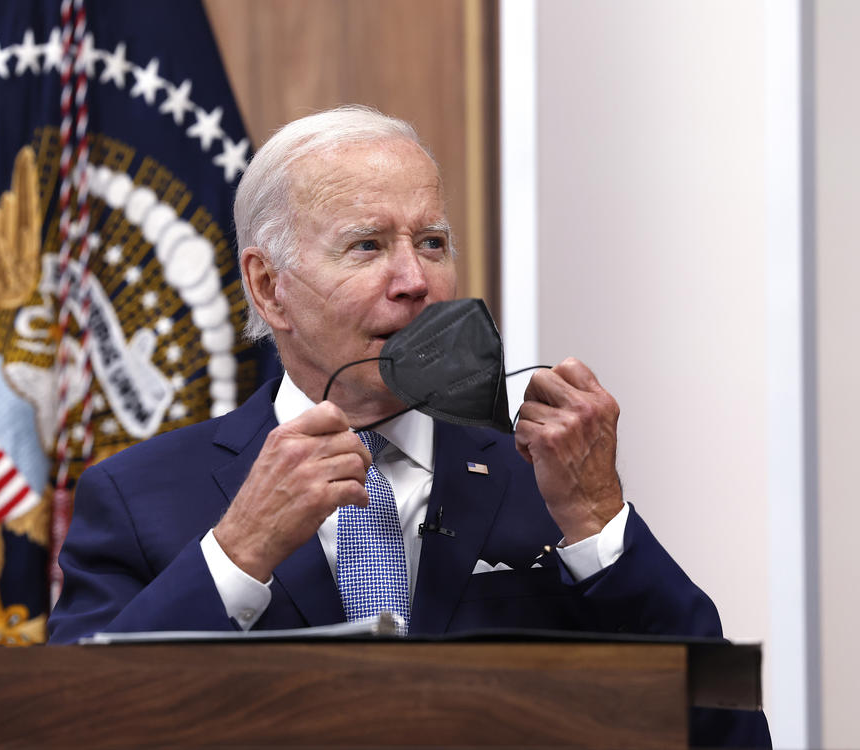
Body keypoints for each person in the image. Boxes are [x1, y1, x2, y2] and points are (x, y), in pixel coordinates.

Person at [48, 106, 769, 747]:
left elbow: (724, 729)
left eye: (431, 243)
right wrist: (241, 551)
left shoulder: (543, 477)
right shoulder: (138, 495)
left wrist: (599, 522)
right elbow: (67, 730)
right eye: (367, 246)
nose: (415, 280)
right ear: (269, 288)